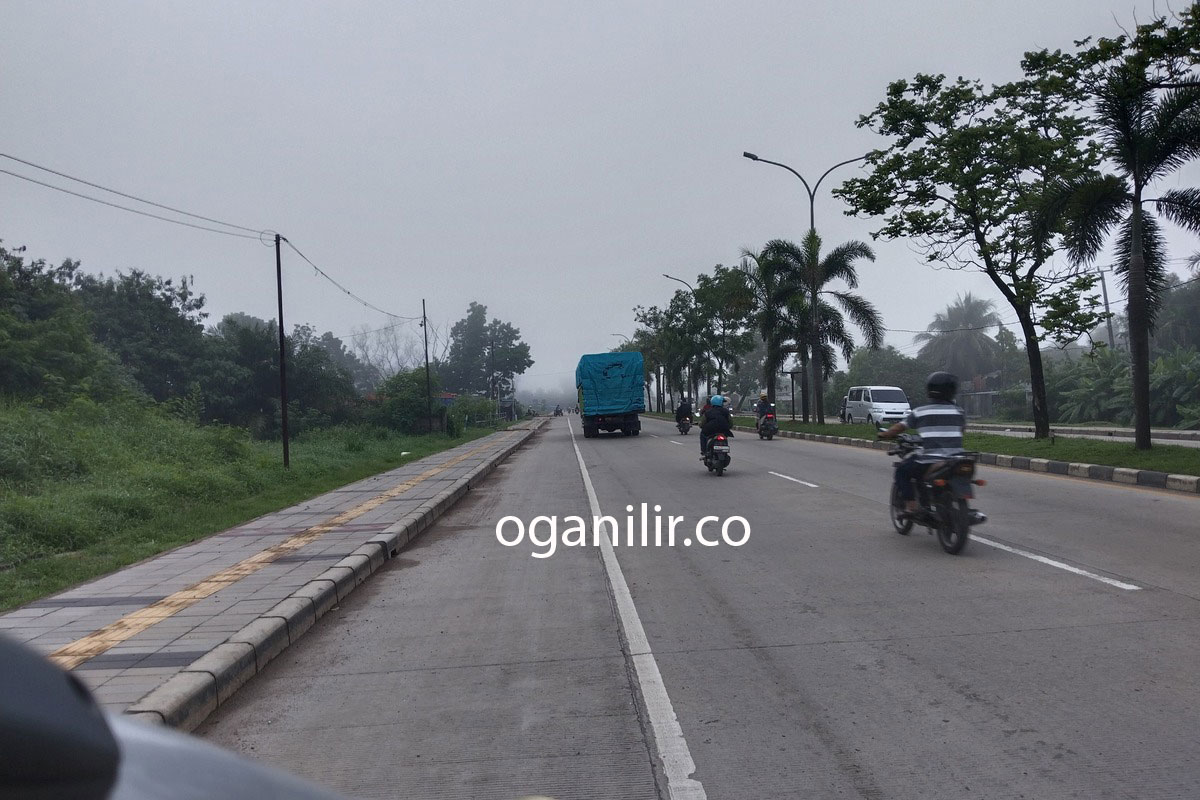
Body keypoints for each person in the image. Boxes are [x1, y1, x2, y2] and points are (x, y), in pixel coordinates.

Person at [878, 371, 966, 518]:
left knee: (902, 471)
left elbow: (900, 427)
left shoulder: (920, 412)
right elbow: (961, 430)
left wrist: (885, 434)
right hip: (957, 458)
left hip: (931, 459)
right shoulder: (959, 412)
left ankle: (911, 506)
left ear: (930, 389)